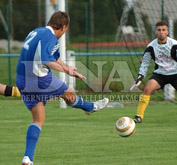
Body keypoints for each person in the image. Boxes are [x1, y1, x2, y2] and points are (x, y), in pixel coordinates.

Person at [16, 11, 109, 165]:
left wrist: (67, 68)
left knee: (38, 120)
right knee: (68, 94)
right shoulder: (50, 37)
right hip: (39, 79)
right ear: (64, 27)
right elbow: (47, 60)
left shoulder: (37, 31)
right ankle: (90, 106)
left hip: (22, 80)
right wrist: (65, 70)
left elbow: (54, 56)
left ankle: (27, 158)